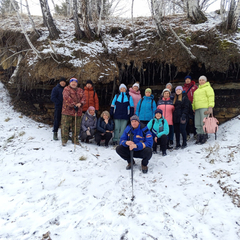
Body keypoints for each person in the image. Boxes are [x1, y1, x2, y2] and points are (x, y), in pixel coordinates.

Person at [61, 78, 86, 146]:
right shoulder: (66, 89)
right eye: (72, 82)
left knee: (76, 127)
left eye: (75, 82)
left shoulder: (80, 90)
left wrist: (80, 104)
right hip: (67, 111)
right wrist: (74, 104)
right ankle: (64, 140)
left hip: (78, 112)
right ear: (70, 83)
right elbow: (66, 98)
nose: (74, 83)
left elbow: (84, 98)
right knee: (65, 126)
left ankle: (75, 140)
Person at [192, 75, 215, 144]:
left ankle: (204, 136)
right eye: (200, 80)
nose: (201, 81)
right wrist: (193, 107)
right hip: (197, 108)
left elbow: (211, 97)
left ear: (205, 81)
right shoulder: (197, 90)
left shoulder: (208, 88)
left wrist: (210, 106)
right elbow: (194, 100)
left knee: (204, 122)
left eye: (202, 80)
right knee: (197, 123)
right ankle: (199, 136)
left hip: (204, 108)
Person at [182, 75, 198, 140]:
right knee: (187, 121)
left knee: (195, 120)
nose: (187, 80)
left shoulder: (195, 87)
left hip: (194, 105)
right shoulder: (183, 88)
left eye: (189, 79)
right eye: (186, 79)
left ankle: (195, 134)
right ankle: (187, 134)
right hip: (186, 106)